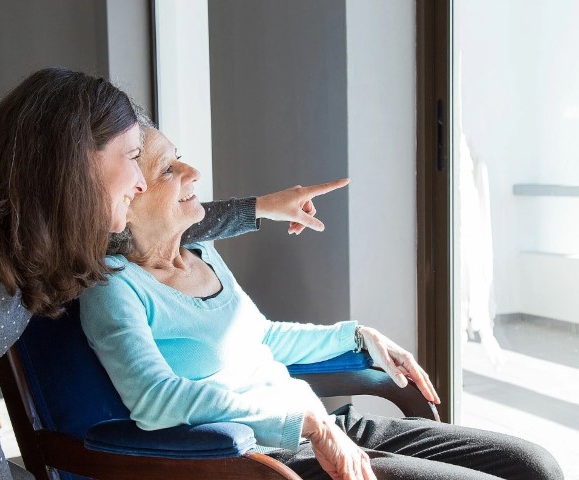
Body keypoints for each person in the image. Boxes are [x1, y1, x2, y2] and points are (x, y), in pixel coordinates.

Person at [0, 67, 335, 480]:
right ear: (76, 164)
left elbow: (153, 222)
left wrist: (259, 209)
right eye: (133, 158)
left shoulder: (40, 230)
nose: (143, 183)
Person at [80, 126, 564, 480]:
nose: (193, 172)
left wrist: (358, 336)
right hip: (262, 458)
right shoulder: (114, 288)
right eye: (169, 169)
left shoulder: (201, 253)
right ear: (128, 197)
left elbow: (262, 338)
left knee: (535, 466)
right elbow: (155, 402)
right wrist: (308, 423)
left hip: (320, 425)